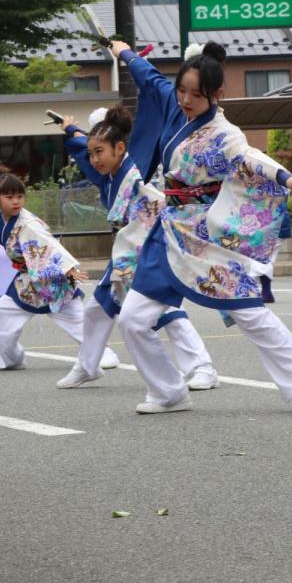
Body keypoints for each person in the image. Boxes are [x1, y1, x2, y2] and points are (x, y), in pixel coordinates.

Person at [108, 39, 292, 415]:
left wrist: (287, 178)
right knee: (132, 319)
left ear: (216, 95)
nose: (185, 99)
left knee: (249, 313)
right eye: (182, 90)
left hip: (205, 238)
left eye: (196, 94)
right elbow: (148, 76)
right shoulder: (175, 107)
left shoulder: (224, 134)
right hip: (168, 234)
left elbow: (249, 158)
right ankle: (168, 392)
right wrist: (124, 53)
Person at [55, 106, 218, 390]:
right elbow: (84, 146)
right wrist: (70, 129)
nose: (94, 159)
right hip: (127, 250)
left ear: (120, 147)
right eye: (91, 153)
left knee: (164, 310)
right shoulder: (108, 173)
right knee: (97, 308)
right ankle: (87, 366)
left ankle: (201, 367)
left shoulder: (138, 168)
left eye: (99, 152)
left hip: (153, 247)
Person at [0, 167, 119, 372]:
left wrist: (68, 269)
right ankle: (10, 358)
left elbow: (50, 246)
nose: (16, 201)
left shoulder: (29, 224)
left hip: (54, 281)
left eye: (19, 196)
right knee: (0, 311)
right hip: (27, 284)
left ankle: (104, 354)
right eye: (9, 197)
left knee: (78, 322)